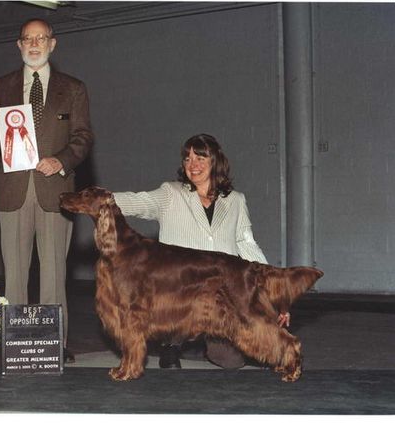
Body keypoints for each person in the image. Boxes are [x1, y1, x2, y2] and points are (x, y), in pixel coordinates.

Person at [113, 133, 289, 369]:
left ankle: (204, 343)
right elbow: (137, 202)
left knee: (231, 362)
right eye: (187, 159)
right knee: (172, 311)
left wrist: (274, 293)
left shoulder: (236, 200)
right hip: (180, 293)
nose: (192, 165)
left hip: (221, 295)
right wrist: (99, 198)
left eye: (200, 158)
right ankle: (171, 344)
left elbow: (247, 244)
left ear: (215, 161)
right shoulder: (171, 193)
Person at [0, 18, 94, 363]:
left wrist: (61, 160)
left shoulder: (74, 88)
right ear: (19, 45)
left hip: (55, 190)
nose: (35, 44)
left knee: (55, 272)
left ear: (52, 44)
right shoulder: (0, 86)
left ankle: (54, 343)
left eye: (41, 38)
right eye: (28, 39)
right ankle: (15, 344)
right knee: (14, 273)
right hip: (13, 191)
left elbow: (83, 137)